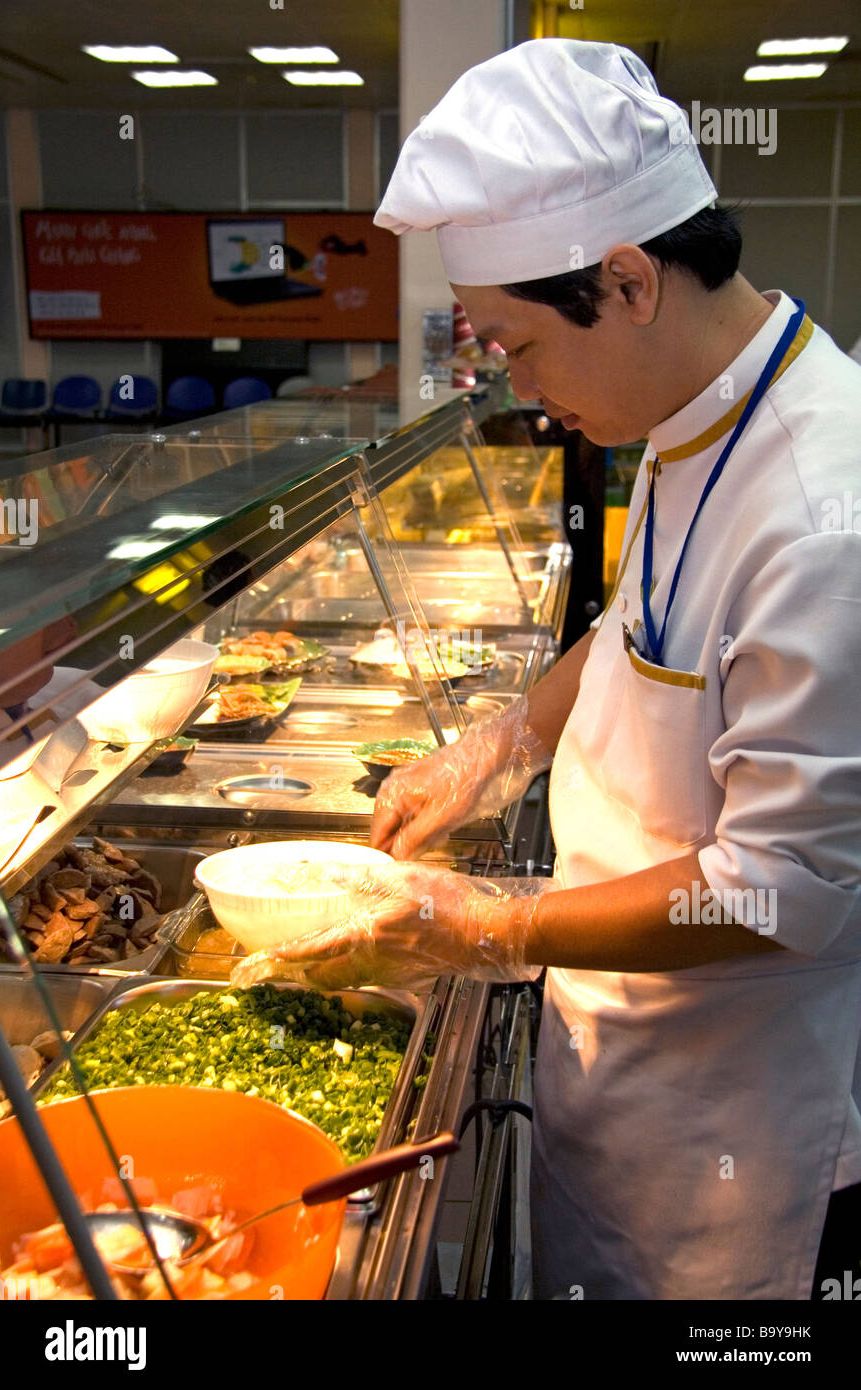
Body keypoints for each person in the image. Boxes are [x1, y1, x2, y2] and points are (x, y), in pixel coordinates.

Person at [244, 40, 861, 1300]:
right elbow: (639, 626)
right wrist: (490, 749)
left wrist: (480, 922)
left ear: (627, 280)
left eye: (518, 347)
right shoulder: (695, 406)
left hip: (735, 1132)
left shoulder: (821, 515)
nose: (518, 391)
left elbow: (781, 890)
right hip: (622, 1054)